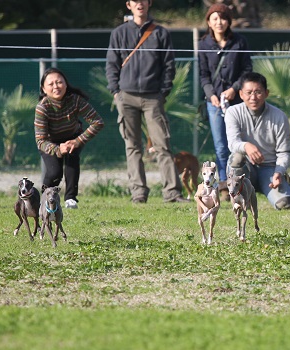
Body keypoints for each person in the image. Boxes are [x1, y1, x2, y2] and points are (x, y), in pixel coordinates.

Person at [106, 0, 187, 203]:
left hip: (153, 97)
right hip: (126, 96)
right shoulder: (119, 32)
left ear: (149, 4)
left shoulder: (161, 33)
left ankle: (172, 192)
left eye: (143, 0)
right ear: (129, 5)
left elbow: (169, 65)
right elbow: (111, 63)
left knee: (162, 145)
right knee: (132, 147)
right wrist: (116, 92)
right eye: (135, 1)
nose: (139, 4)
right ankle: (138, 193)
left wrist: (163, 92)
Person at [198, 3, 252, 201]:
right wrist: (211, 94)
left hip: (237, 102)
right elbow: (203, 75)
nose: (219, 22)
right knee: (220, 146)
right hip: (215, 103)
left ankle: (239, 182)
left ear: (229, 21)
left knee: (236, 144)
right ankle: (223, 184)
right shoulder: (203, 44)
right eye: (214, 18)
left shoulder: (240, 42)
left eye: (222, 18)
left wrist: (234, 89)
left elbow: (247, 69)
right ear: (209, 22)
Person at [225, 72, 290, 210]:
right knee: (236, 157)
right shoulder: (232, 112)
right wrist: (246, 146)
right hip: (246, 168)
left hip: (270, 169)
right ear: (241, 94)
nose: (253, 97)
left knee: (286, 204)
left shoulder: (279, 116)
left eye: (258, 92)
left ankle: (287, 188)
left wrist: (279, 172)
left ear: (266, 93)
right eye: (249, 92)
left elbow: (284, 152)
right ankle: (237, 200)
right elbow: (232, 143)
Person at [35, 67, 105, 209]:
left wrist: (78, 141)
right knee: (55, 172)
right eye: (51, 84)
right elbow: (40, 141)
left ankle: (70, 199)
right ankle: (44, 199)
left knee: (72, 160)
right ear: (43, 88)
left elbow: (98, 122)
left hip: (72, 137)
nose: (56, 86)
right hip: (50, 142)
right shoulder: (42, 108)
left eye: (59, 82)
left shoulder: (75, 100)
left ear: (66, 84)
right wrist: (58, 149)